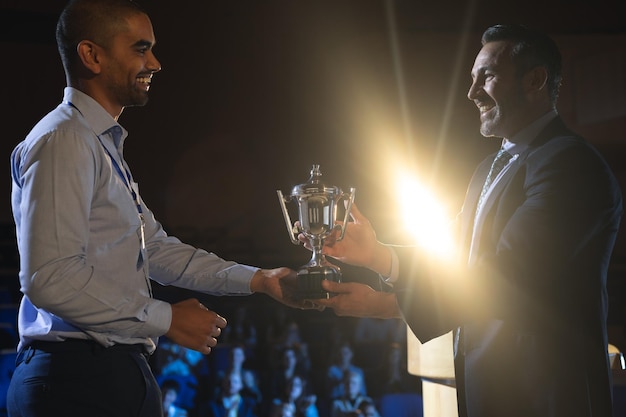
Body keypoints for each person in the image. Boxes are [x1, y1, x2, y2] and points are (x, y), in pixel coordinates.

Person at [6, 1, 307, 416]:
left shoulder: (96, 143)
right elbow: (49, 278)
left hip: (107, 372)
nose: (156, 63)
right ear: (92, 55)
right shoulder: (65, 140)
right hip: (76, 379)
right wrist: (165, 318)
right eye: (140, 49)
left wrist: (260, 279)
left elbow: (157, 250)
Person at [311, 24, 623, 417]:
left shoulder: (571, 165)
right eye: (472, 78)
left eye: (487, 76)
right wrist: (379, 258)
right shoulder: (487, 168)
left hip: (546, 394)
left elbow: (504, 278)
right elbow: (456, 262)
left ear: (535, 79)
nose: (472, 92)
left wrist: (387, 281)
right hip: (487, 388)